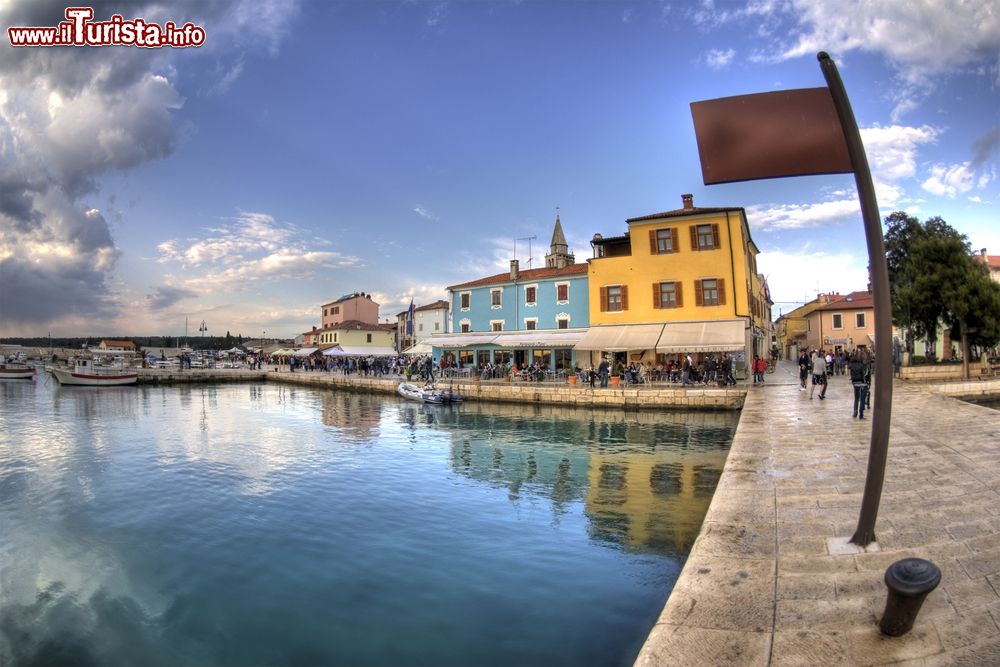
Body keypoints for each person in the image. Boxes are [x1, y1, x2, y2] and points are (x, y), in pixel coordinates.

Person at [848, 349, 869, 419]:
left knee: (856, 398)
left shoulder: (852, 364)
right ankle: (861, 414)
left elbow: (850, 371)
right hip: (861, 381)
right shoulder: (861, 364)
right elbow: (863, 374)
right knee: (862, 399)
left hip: (854, 382)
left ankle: (855, 412)